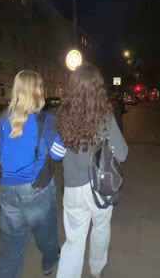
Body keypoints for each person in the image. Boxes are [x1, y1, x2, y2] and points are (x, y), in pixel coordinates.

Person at [55, 63, 128, 278]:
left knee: (73, 240)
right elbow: (122, 153)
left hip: (72, 189)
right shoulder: (105, 116)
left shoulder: (62, 116)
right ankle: (96, 269)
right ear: (98, 88)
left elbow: (57, 152)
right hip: (100, 187)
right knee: (101, 228)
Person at [0, 70, 66, 278]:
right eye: (41, 86)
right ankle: (50, 260)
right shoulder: (45, 119)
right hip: (35, 190)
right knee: (46, 235)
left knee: (11, 247)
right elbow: (59, 154)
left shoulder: (3, 119)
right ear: (36, 91)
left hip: (6, 190)